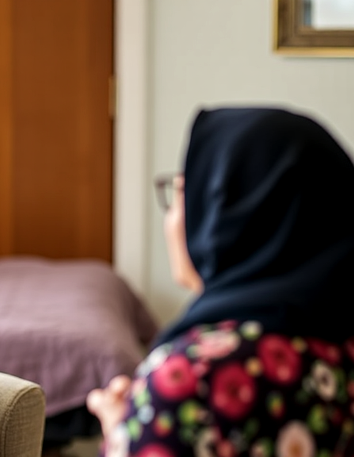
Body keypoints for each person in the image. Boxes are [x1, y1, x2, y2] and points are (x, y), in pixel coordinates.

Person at [87, 107, 354, 456]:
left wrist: (122, 433)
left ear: (229, 217)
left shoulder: (190, 377)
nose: (171, 217)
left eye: (183, 193)